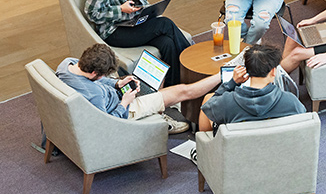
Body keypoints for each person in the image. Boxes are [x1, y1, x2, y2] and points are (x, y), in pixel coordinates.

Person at [56, 44, 220, 134]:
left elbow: (94, 82)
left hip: (115, 95)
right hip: (125, 110)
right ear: (94, 72)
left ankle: (158, 113)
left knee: (156, 79)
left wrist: (116, 83)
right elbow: (107, 124)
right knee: (183, 91)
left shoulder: (67, 64)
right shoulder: (95, 94)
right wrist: (125, 103)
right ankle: (221, 75)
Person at [198, 44, 306, 134]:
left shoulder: (226, 102)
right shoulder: (290, 101)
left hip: (236, 154)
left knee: (208, 99)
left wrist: (231, 83)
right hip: (275, 153)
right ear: (273, 71)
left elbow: (207, 108)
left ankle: (205, 148)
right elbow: (302, 122)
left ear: (247, 71)